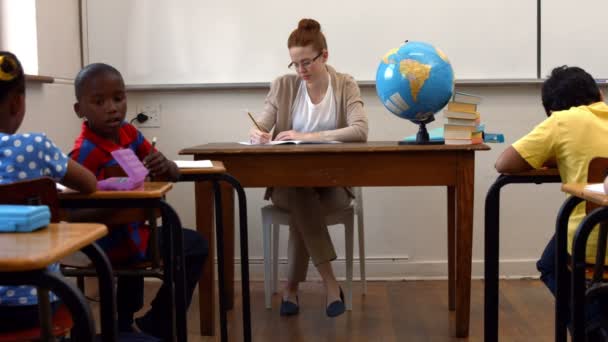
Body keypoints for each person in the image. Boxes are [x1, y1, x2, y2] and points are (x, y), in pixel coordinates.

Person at [69, 62, 208, 339]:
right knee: (188, 246)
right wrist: (119, 202)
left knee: (194, 245)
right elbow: (72, 213)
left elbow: (175, 174)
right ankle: (142, 325)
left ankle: (152, 323)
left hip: (137, 234)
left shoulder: (129, 133)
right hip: (107, 243)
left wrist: (163, 165)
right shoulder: (84, 153)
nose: (112, 108)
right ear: (79, 110)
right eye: (99, 101)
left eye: (118, 99)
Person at [249, 18, 368, 317]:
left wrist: (309, 137)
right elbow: (261, 125)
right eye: (295, 64)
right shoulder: (283, 86)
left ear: (324, 56)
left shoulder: (345, 84)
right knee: (301, 191)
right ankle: (330, 284)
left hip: (333, 187)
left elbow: (360, 130)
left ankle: (291, 288)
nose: (300, 71)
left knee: (306, 203)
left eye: (306, 63)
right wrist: (258, 134)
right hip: (288, 188)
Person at [495, 65, 608, 339]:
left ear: (551, 111)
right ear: (599, 95)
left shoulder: (563, 121)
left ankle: (593, 329)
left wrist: (557, 153)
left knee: (550, 264)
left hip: (595, 240)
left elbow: (504, 163)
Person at [0, 51, 98, 331]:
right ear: (18, 102)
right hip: (34, 301)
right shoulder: (35, 147)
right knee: (80, 306)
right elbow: (89, 183)